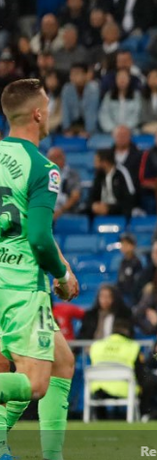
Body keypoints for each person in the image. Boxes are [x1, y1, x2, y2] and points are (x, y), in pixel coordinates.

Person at [0, 79, 80, 460]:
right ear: (37, 114)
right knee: (35, 383)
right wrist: (61, 275)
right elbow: (37, 238)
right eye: (47, 107)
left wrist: (60, 260)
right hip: (20, 288)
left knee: (62, 362)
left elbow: (35, 229)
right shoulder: (41, 166)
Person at [89, 149, 137, 218]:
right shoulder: (99, 175)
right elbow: (92, 196)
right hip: (101, 210)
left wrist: (109, 208)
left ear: (105, 162)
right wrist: (93, 205)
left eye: (96, 161)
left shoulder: (122, 173)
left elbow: (130, 199)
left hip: (119, 212)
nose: (94, 164)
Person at [46, 147, 81, 220]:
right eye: (50, 158)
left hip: (65, 210)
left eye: (56, 158)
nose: (53, 161)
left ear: (63, 158)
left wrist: (61, 211)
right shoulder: (42, 174)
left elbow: (75, 196)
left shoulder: (72, 175)